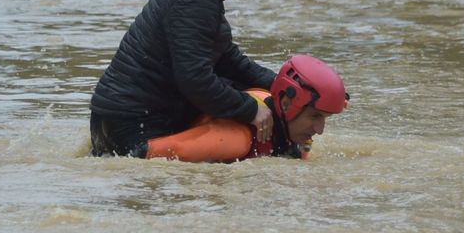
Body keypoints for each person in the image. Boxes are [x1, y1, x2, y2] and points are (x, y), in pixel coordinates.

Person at [90, 0, 276, 158]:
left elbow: (227, 59)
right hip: (133, 122)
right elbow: (195, 79)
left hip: (112, 117)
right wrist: (250, 110)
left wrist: (281, 84)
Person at [144, 54, 349, 163]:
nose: (320, 129)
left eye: (325, 118)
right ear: (286, 104)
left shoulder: (297, 135)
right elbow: (143, 155)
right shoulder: (237, 139)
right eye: (314, 116)